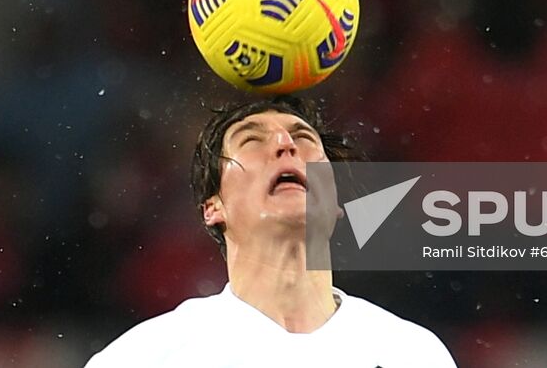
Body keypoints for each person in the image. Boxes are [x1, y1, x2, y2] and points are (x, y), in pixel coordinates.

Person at [85, 94, 458, 366]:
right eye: (252, 140)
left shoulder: (413, 354)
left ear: (337, 206)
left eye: (304, 139)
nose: (285, 145)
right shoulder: (147, 358)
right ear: (213, 208)